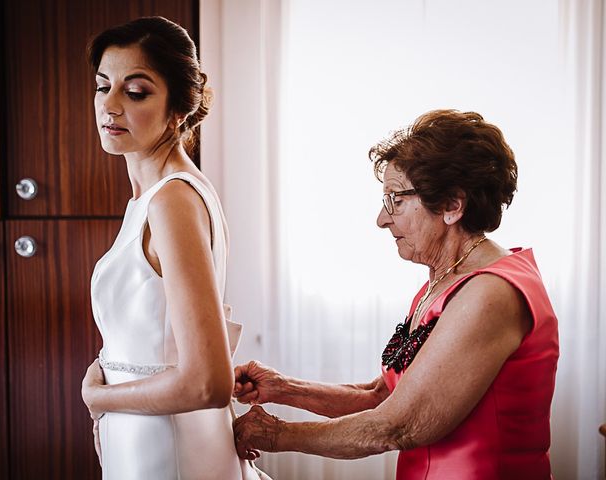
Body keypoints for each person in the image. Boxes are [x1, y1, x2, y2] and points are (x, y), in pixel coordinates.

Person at [232, 110, 559, 479]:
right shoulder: (443, 280)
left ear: (452, 205)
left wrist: (277, 434)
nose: (382, 218)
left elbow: (397, 424)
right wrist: (283, 388)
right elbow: (382, 397)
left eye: (395, 200)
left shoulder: (491, 292)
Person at [80, 16, 264, 480]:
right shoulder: (156, 198)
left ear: (178, 109)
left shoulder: (173, 201)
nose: (111, 106)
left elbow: (207, 382)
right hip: (145, 440)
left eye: (136, 92)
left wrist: (99, 398)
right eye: (104, 87)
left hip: (168, 449)